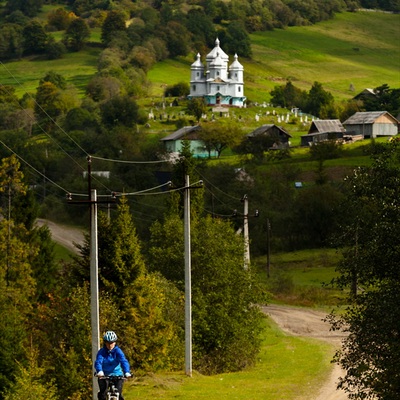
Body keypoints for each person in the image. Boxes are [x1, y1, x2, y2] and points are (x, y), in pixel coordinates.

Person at [95, 331, 132, 400]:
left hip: (117, 374)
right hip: (104, 375)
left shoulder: (118, 351)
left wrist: (127, 372)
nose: (110, 345)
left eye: (112, 343)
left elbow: (123, 361)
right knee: (103, 393)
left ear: (115, 342)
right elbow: (98, 362)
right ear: (105, 343)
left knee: (118, 394)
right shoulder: (101, 352)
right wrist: (99, 371)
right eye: (108, 343)